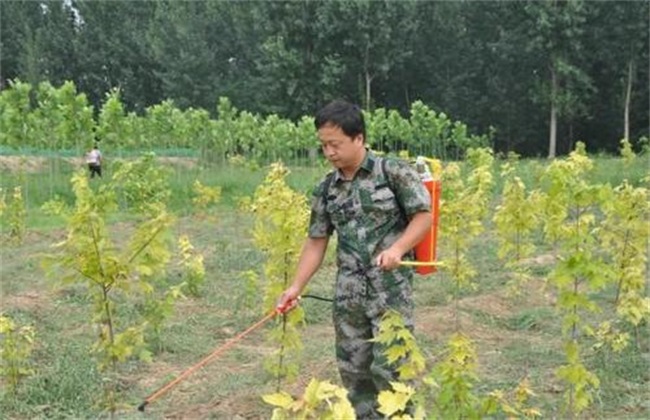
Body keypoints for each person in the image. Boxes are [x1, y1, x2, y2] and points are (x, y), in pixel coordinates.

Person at [276, 99, 432, 419]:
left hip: (389, 289)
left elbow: (423, 217)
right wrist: (295, 287)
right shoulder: (326, 189)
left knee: (393, 368)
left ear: (358, 138)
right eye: (323, 146)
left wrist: (398, 249)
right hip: (348, 293)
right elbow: (316, 241)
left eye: (335, 144)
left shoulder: (392, 172)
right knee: (354, 372)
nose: (329, 153)